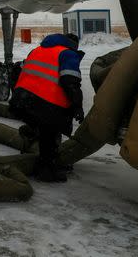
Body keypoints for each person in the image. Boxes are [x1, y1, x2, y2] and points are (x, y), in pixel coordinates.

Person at [10, 33, 85, 182]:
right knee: (50, 131)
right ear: (73, 44)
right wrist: (77, 107)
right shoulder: (68, 54)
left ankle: (32, 136)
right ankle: (47, 169)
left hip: (21, 102)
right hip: (43, 105)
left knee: (41, 126)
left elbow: (18, 71)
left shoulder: (37, 50)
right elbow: (70, 83)